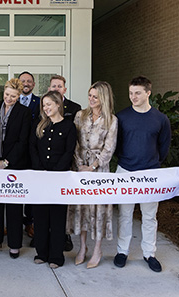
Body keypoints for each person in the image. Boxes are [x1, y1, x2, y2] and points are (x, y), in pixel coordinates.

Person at [113, 76, 171, 272]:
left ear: (148, 93)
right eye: (130, 93)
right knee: (125, 215)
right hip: (125, 171)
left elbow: (164, 147)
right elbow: (117, 146)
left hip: (150, 174)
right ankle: (122, 251)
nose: (133, 97)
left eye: (137, 93)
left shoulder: (160, 119)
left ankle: (149, 253)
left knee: (149, 216)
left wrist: (152, 164)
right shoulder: (121, 117)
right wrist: (128, 161)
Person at [68, 81, 118, 269]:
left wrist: (94, 166)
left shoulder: (111, 120)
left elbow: (109, 148)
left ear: (103, 98)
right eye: (89, 95)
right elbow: (74, 142)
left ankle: (97, 249)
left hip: (99, 171)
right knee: (81, 209)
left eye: (95, 97)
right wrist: (80, 164)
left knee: (98, 210)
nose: (91, 99)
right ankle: (82, 248)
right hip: (79, 167)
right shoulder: (80, 116)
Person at [29, 91, 77, 269]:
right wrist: (40, 169)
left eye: (49, 104)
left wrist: (55, 172)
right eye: (44, 105)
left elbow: (68, 151)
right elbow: (32, 147)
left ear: (58, 104)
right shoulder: (40, 124)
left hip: (59, 178)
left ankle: (56, 257)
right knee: (40, 217)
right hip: (40, 178)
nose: (46, 108)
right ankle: (41, 253)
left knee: (57, 219)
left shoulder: (69, 126)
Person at [0, 78, 31, 258]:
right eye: (6, 95)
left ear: (19, 96)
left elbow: (23, 140)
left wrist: (7, 162)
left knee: (14, 206)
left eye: (13, 96)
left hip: (14, 164)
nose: (9, 99)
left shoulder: (24, 112)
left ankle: (14, 244)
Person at [48, 74, 81, 251]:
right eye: (53, 86)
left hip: (65, 163)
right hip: (48, 163)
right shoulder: (44, 105)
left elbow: (75, 139)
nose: (56, 89)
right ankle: (45, 235)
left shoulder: (75, 108)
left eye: (59, 86)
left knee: (63, 203)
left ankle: (65, 235)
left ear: (64, 90)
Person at [18, 71, 40, 239]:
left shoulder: (40, 103)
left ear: (33, 85)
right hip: (15, 154)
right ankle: (15, 222)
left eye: (29, 81)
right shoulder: (10, 100)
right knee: (14, 189)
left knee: (31, 190)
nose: (26, 83)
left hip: (33, 153)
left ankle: (29, 222)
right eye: (23, 81)